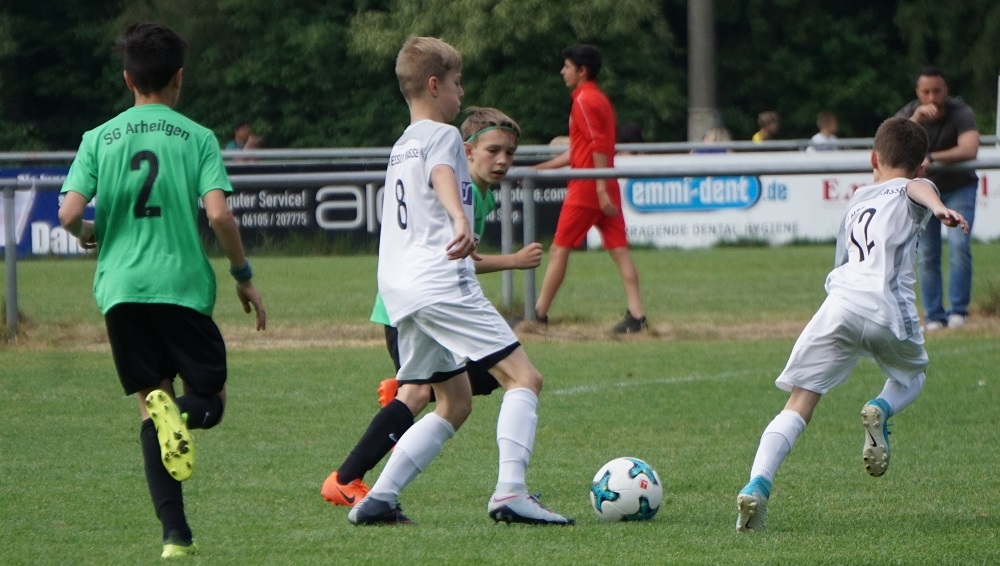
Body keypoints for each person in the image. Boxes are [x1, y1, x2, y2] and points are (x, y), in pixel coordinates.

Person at [57, 23, 266, 559]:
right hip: (180, 286)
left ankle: (175, 536)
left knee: (153, 409)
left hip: (121, 290)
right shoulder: (196, 137)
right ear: (179, 77)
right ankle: (185, 416)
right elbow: (219, 215)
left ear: (128, 79)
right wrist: (242, 275)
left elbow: (69, 214)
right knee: (210, 402)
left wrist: (89, 233)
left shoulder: (98, 137)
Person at [346, 36, 573, 527]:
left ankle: (378, 499)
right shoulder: (444, 134)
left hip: (401, 290)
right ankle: (510, 493)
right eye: (456, 82)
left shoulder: (402, 145)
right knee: (525, 378)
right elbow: (444, 174)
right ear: (434, 85)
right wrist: (458, 218)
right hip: (440, 281)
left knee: (454, 401)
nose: (461, 91)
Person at [734, 117, 968, 533]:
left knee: (799, 403)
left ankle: (757, 484)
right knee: (913, 376)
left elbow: (841, 261)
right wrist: (938, 208)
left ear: (873, 159)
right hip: (885, 309)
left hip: (839, 305)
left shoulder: (857, 199)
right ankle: (880, 408)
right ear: (921, 165)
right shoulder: (916, 186)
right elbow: (917, 189)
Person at [320, 106, 543, 508]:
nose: (503, 161)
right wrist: (513, 260)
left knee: (462, 394)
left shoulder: (478, 193)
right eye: (493, 150)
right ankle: (346, 479)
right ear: (467, 150)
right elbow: (455, 255)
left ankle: (375, 494)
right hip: (421, 301)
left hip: (412, 296)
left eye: (510, 153)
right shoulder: (461, 187)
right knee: (436, 391)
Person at [533, 44, 647, 334]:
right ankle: (637, 316)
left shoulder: (583, 100)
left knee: (559, 250)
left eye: (567, 67)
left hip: (588, 187)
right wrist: (541, 169)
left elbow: (596, 145)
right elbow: (581, 149)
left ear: (582, 71)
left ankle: (538, 316)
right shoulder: (600, 99)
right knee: (620, 251)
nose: (563, 72)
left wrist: (598, 187)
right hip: (605, 184)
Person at [895, 66, 979, 331]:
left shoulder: (960, 112)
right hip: (922, 192)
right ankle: (933, 316)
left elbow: (970, 148)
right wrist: (916, 119)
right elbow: (893, 147)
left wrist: (932, 158)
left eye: (937, 91)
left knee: (959, 246)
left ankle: (958, 312)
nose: (931, 97)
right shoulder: (910, 113)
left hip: (958, 187)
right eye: (926, 92)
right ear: (917, 92)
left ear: (946, 90)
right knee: (927, 254)